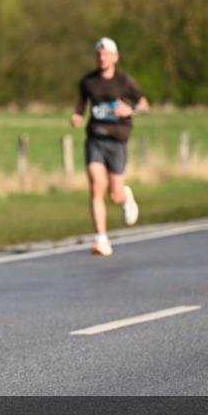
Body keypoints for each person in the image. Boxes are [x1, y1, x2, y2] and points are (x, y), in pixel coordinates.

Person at [70, 37, 150, 256]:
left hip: (117, 140)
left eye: (106, 54)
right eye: (98, 54)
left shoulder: (124, 81)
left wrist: (129, 110)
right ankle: (101, 239)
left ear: (115, 57)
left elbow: (144, 105)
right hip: (95, 139)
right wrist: (77, 115)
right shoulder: (88, 81)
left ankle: (125, 196)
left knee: (114, 195)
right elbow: (81, 104)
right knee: (96, 185)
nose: (101, 57)